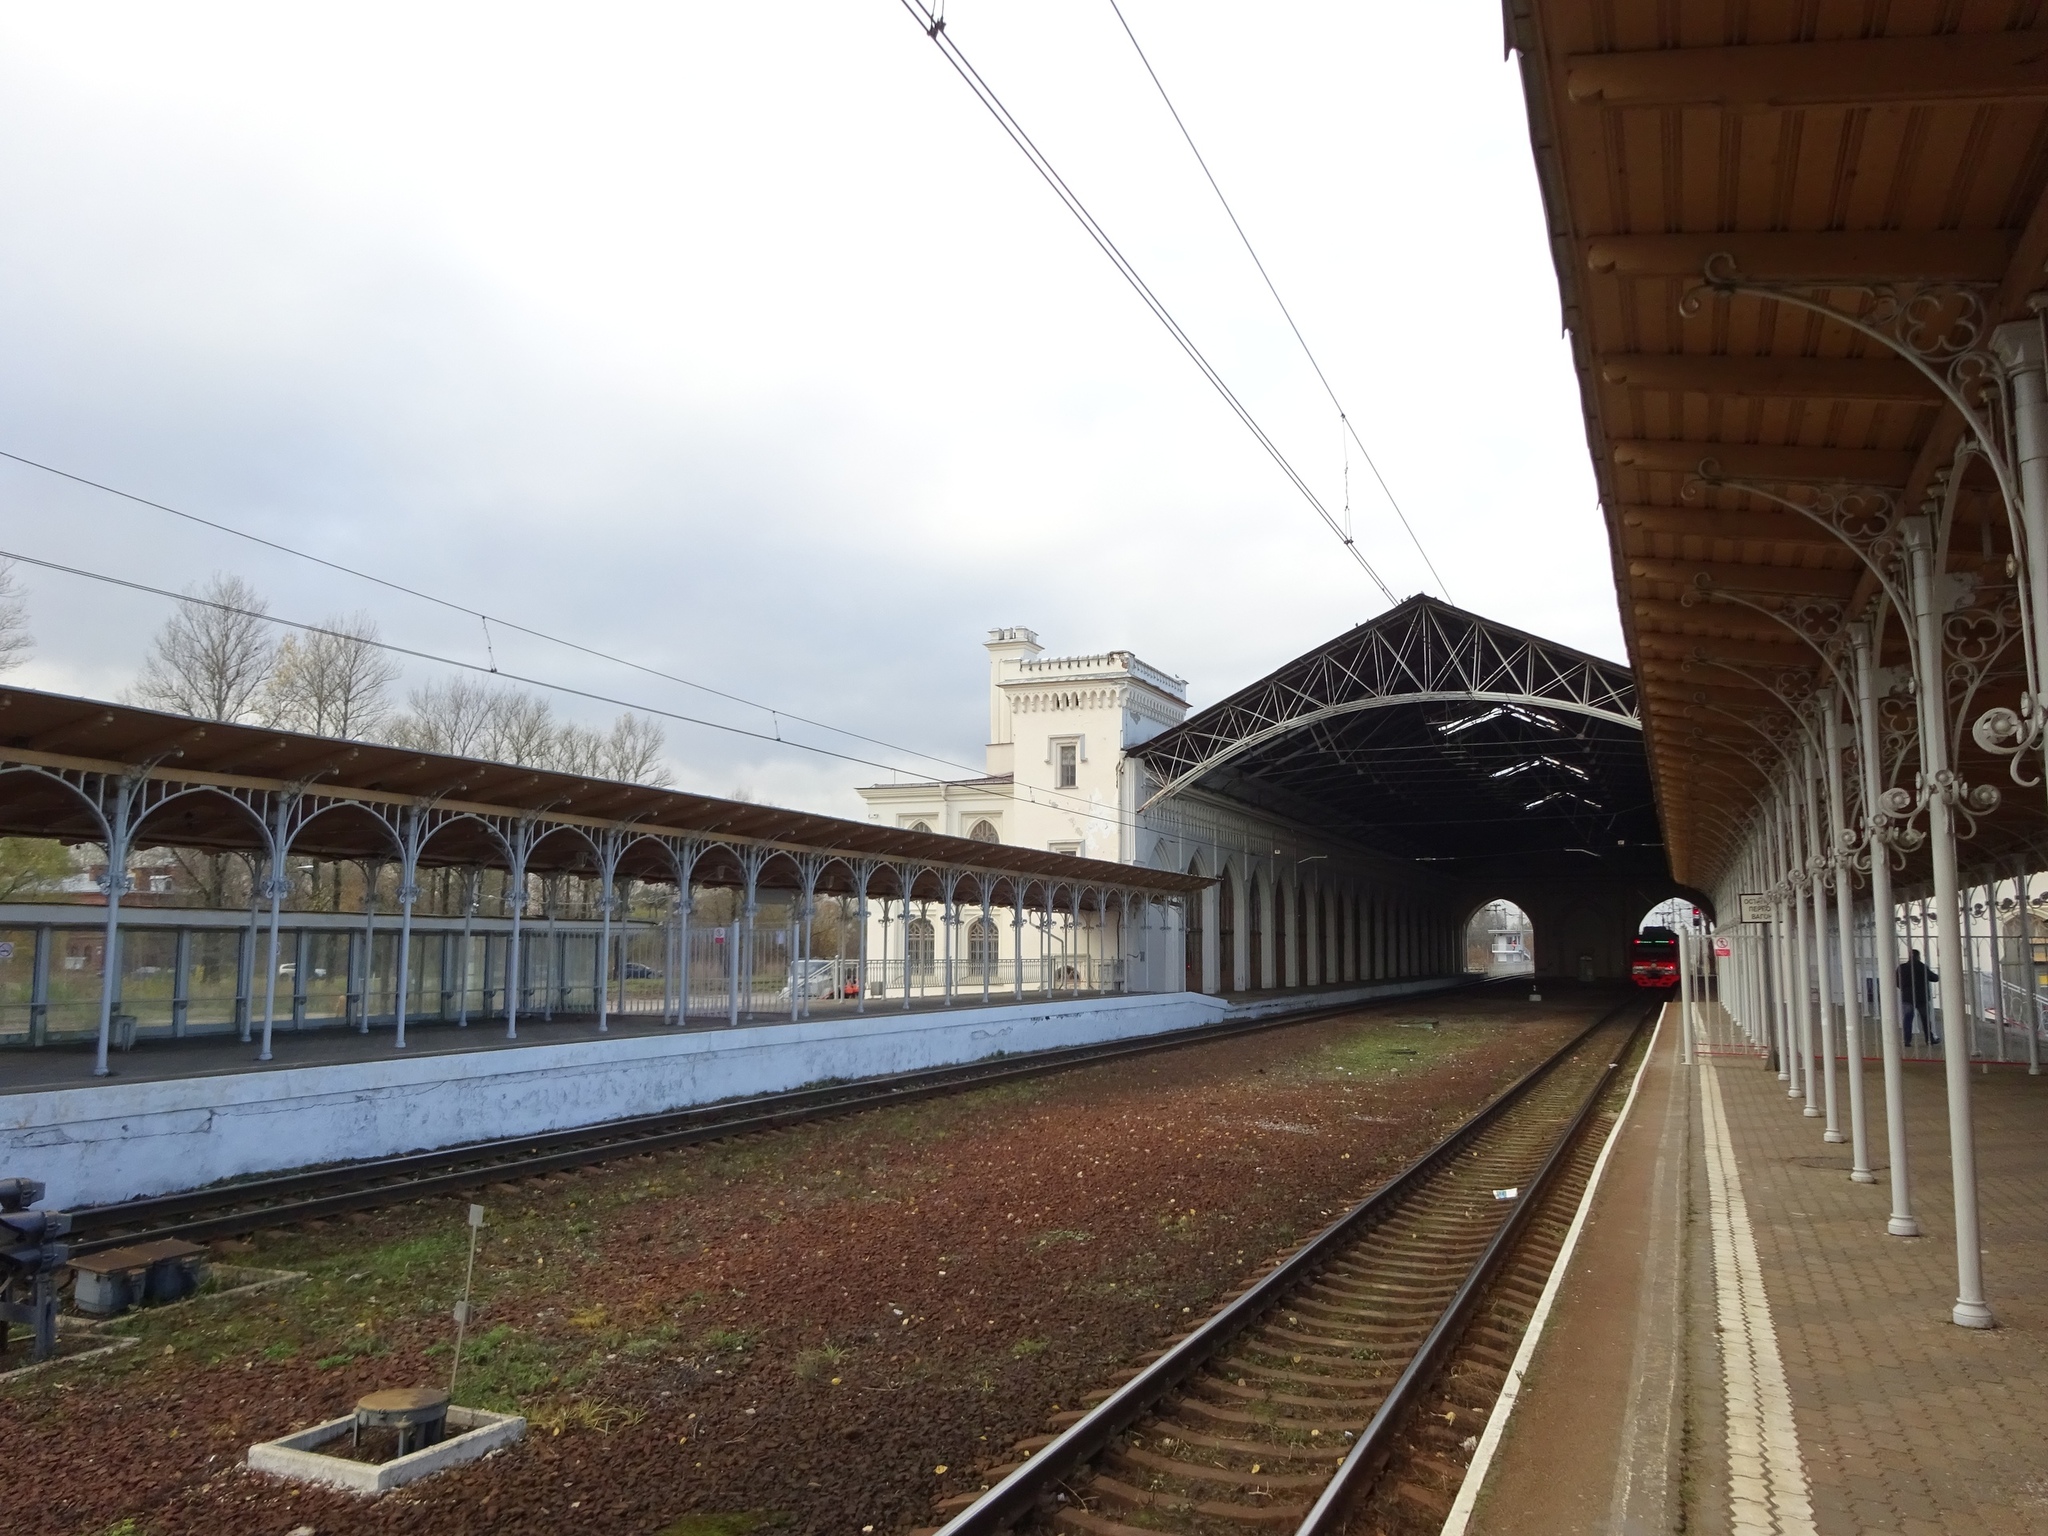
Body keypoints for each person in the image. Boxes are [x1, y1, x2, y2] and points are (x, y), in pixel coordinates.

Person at [1897, 949, 1940, 1047]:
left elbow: (1897, 981)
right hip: (1922, 997)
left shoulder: (1902, 968)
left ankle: (1907, 1040)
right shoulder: (1922, 967)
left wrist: (1904, 989)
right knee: (1925, 1019)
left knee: (1907, 1019)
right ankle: (1929, 1039)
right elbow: (1934, 978)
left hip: (1907, 997)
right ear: (1918, 956)